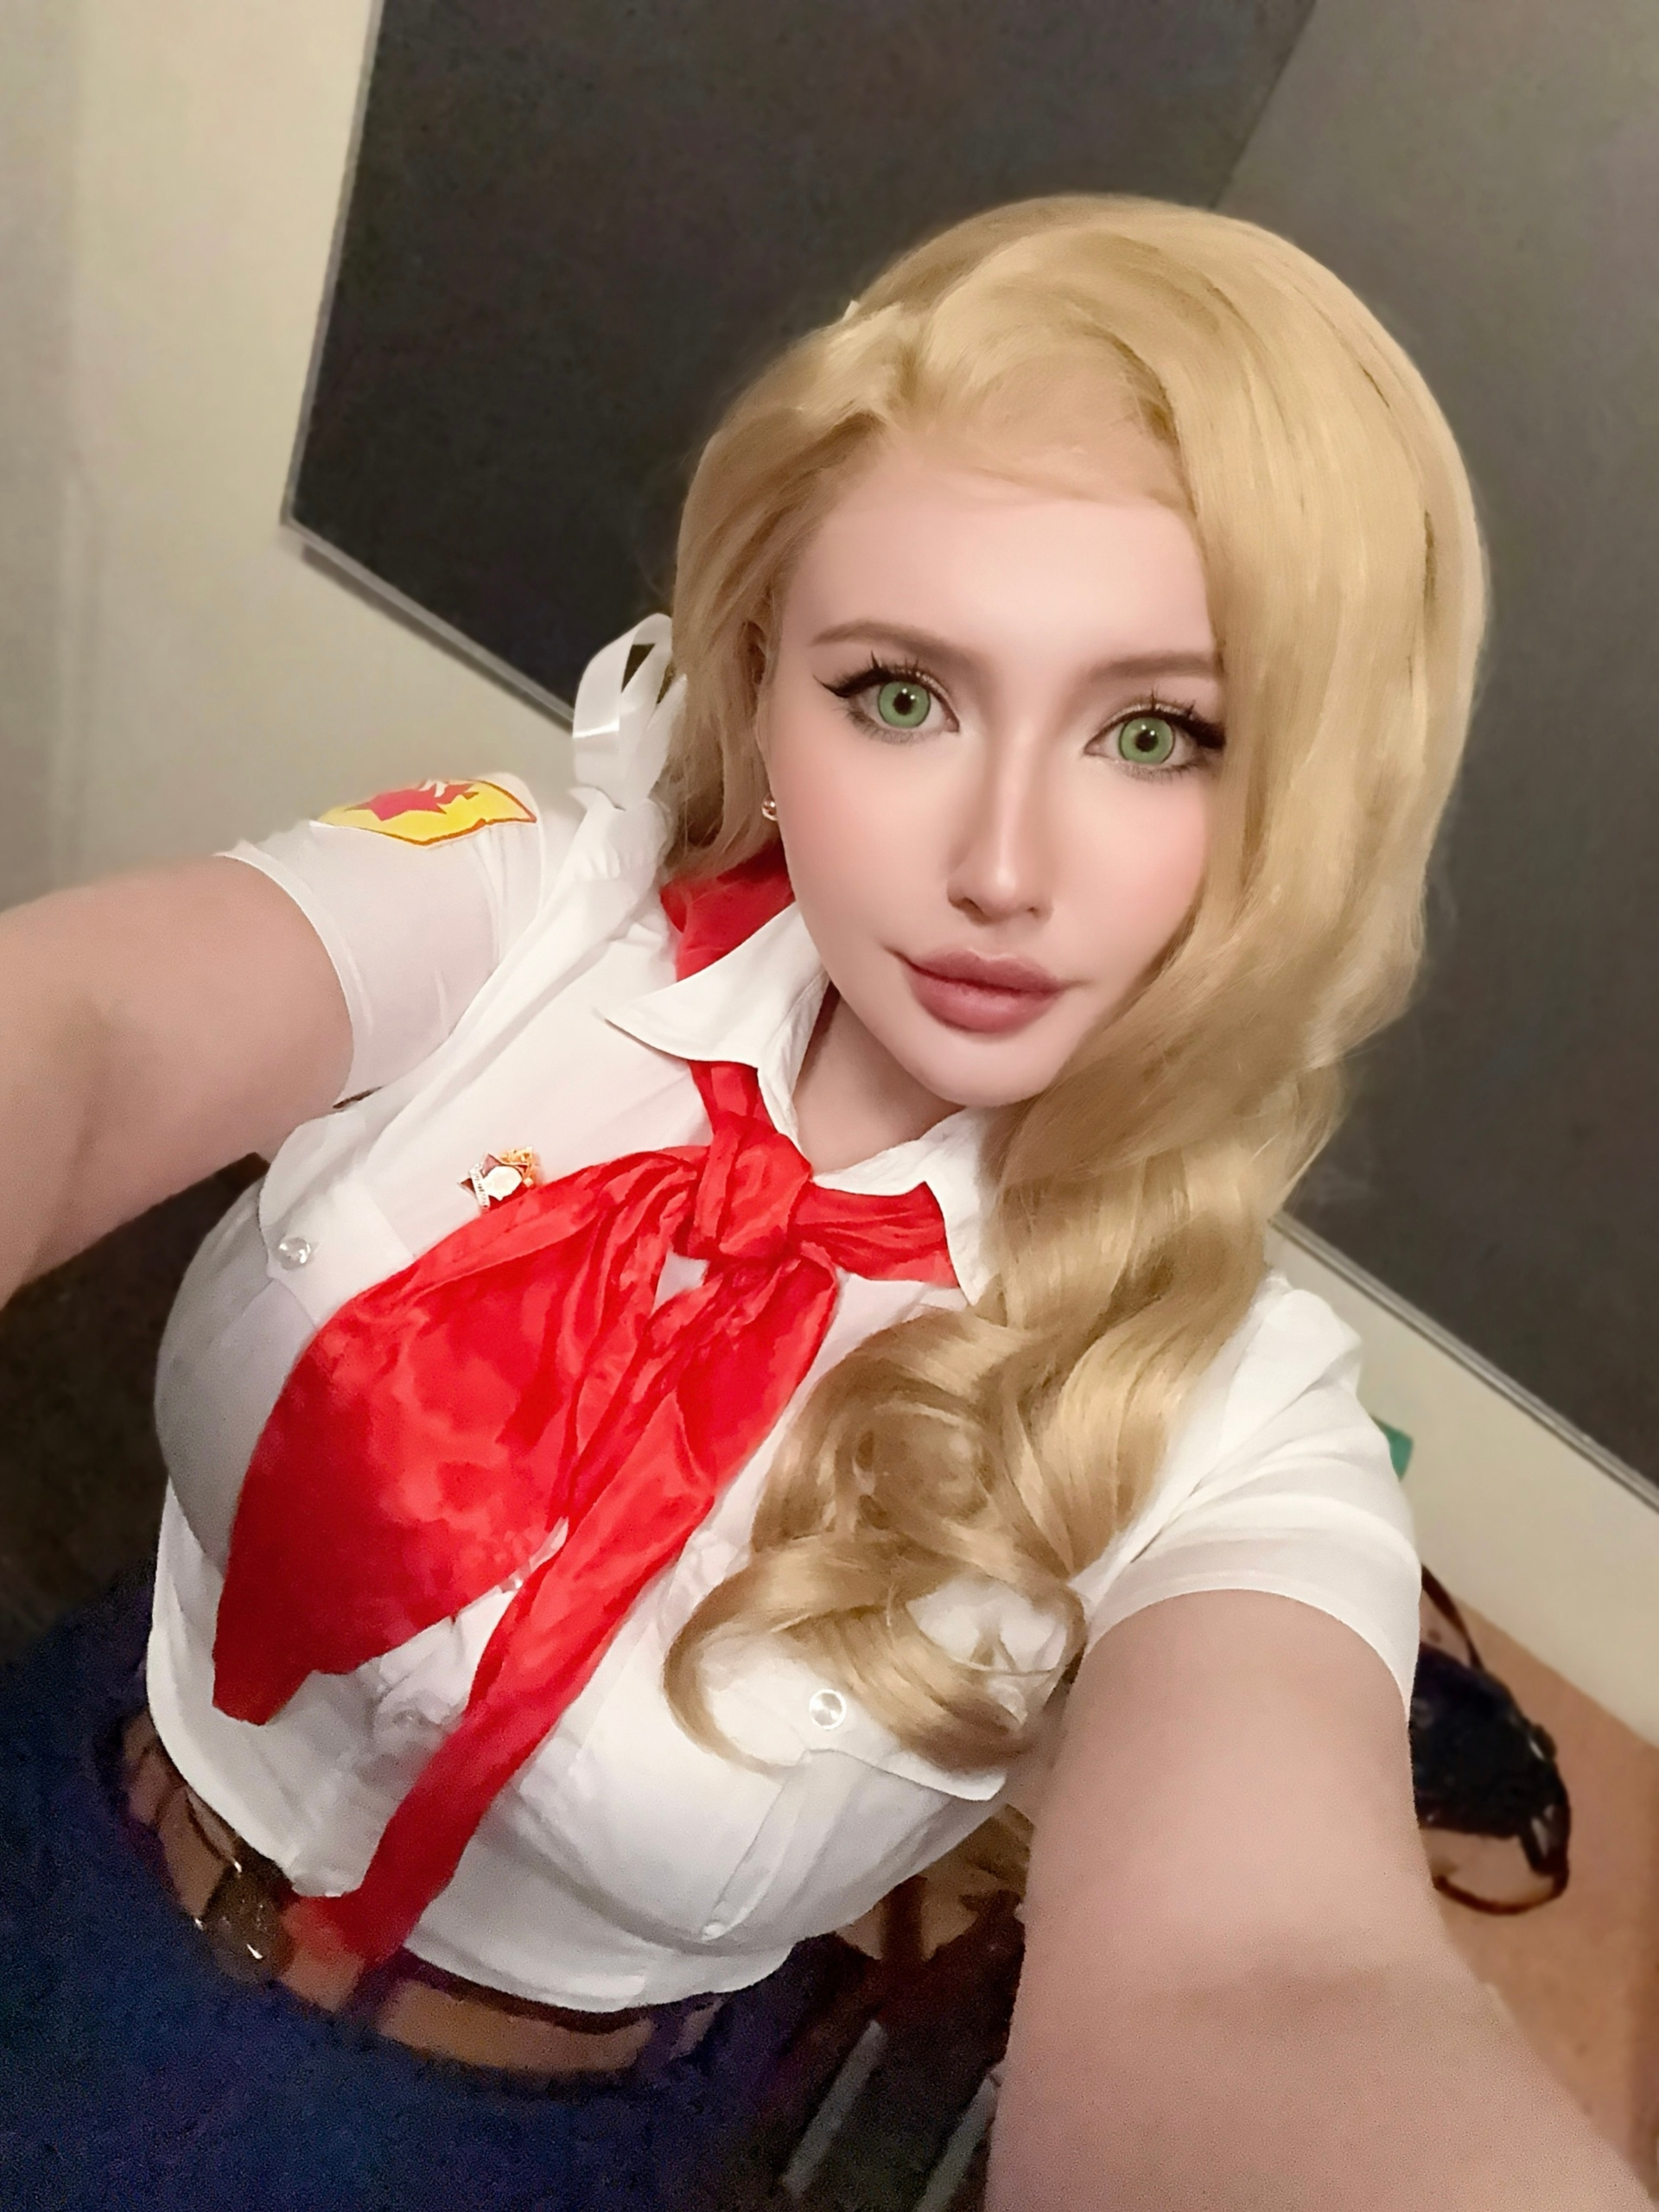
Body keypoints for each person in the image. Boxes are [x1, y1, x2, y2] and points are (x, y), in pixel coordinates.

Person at [0, 194, 1645, 2212]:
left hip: (481, 2148)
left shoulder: (1236, 1422)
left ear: (1312, 798)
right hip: (73, 1787)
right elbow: (75, 1034)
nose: (1001, 862)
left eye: (1158, 732)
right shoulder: (523, 909)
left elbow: (1270, 1974)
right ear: (767, 678)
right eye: (901, 695)